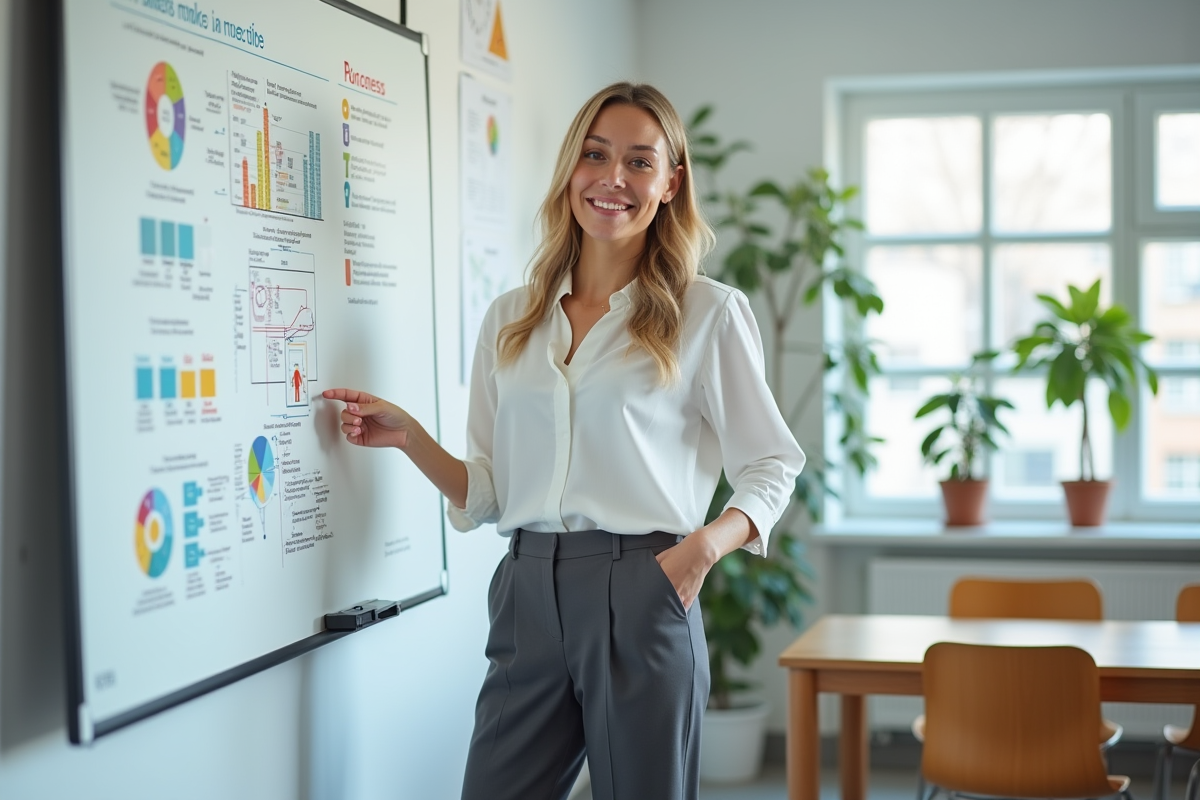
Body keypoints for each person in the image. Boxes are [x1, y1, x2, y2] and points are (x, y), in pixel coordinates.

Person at [322, 82, 804, 800]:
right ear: (570, 169)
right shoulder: (511, 318)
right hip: (526, 590)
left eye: (640, 162)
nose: (613, 179)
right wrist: (411, 439)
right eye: (595, 155)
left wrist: (702, 549)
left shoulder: (708, 313)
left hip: (643, 585)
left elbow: (772, 464)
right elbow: (490, 491)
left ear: (671, 184)